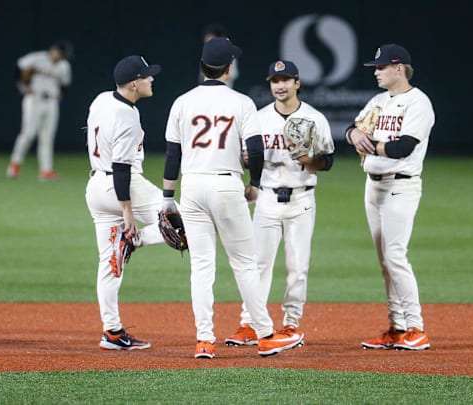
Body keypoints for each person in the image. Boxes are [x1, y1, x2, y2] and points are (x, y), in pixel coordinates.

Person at [163, 38, 304, 359]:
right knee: (244, 264)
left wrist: (167, 197)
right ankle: (266, 334)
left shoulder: (182, 101)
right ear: (228, 68)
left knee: (201, 267)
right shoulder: (241, 102)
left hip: (193, 186)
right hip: (227, 185)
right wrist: (254, 183)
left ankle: (204, 340)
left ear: (203, 67)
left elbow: (173, 155)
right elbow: (255, 150)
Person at [224, 60, 335, 347]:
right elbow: (242, 155)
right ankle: (250, 323)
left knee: (297, 267)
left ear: (297, 83)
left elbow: (328, 161)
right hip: (267, 198)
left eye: (286, 80)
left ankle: (290, 324)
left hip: (301, 199)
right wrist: (246, 160)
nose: (280, 86)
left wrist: (311, 160)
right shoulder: (258, 118)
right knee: (257, 265)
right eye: (275, 80)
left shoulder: (314, 118)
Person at [345, 44, 434, 351]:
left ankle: (416, 328)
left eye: (381, 67)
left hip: (401, 186)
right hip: (374, 186)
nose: (376, 72)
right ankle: (397, 328)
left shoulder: (418, 103)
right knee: (386, 261)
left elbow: (402, 147)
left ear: (399, 68)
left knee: (395, 255)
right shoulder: (378, 101)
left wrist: (371, 142)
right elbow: (352, 129)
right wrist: (353, 135)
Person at [85, 55, 167, 351]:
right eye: (147, 76)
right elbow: (121, 167)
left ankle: (112, 332)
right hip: (124, 185)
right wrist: (127, 212)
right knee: (188, 222)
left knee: (109, 265)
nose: (151, 79)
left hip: (95, 186)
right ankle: (134, 242)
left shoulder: (102, 99)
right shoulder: (128, 117)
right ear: (134, 84)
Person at [7, 40, 73, 180]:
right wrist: (23, 87)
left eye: (63, 55)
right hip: (34, 100)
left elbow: (66, 84)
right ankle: (15, 164)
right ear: (54, 50)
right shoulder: (37, 58)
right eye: (60, 54)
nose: (61, 57)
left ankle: (46, 171)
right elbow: (19, 68)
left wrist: (61, 94)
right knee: (28, 134)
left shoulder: (64, 66)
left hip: (51, 102)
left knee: (47, 137)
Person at [199, 23, 239, 88]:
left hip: (225, 91)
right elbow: (202, 77)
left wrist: (216, 75)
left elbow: (233, 74)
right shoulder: (206, 56)